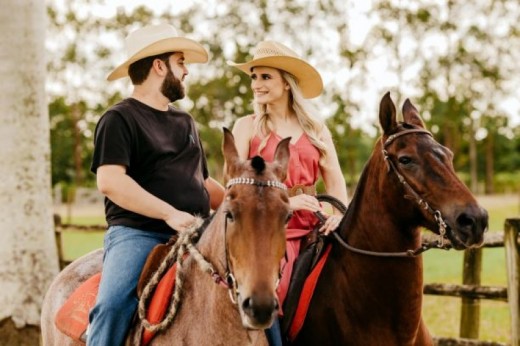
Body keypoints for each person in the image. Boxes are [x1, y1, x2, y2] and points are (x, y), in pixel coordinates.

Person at [88, 24, 225, 346]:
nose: (187, 71)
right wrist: (169, 213)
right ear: (159, 66)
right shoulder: (119, 118)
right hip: (139, 233)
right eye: (180, 62)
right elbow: (110, 181)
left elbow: (203, 182)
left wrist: (245, 198)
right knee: (111, 306)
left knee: (255, 294)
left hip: (197, 231)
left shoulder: (185, 121)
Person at [227, 40, 349, 345]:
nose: (256, 84)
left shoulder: (316, 129)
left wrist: (338, 216)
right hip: (265, 230)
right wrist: (287, 203)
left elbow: (335, 183)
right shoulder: (247, 127)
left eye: (265, 76)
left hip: (316, 223)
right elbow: (233, 188)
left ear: (286, 82)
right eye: (254, 76)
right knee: (271, 290)